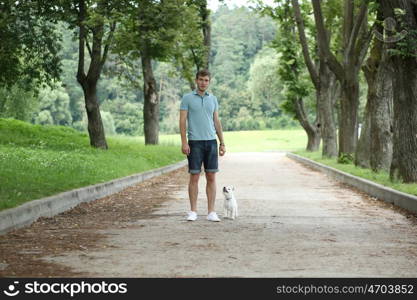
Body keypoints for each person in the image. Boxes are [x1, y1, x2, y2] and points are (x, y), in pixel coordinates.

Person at [179, 69, 226, 222]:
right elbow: (182, 121)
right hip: (194, 142)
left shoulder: (213, 99)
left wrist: (222, 143)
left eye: (206, 80)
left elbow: (216, 121)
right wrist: (184, 142)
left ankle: (211, 212)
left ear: (209, 82)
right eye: (201, 79)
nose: (203, 82)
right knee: (194, 176)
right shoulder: (187, 98)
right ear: (196, 80)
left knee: (211, 176)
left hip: (211, 142)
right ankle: (193, 211)